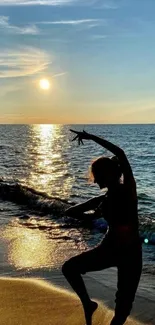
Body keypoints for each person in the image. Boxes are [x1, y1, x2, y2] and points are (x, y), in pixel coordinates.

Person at [62, 129, 142, 325]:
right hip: (110, 249)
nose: (95, 180)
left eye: (97, 175)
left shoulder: (128, 189)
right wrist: (93, 210)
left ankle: (91, 307)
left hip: (130, 254)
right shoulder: (103, 199)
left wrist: (91, 137)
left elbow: (121, 154)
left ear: (108, 174)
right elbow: (69, 212)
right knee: (69, 268)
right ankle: (88, 304)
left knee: (123, 308)